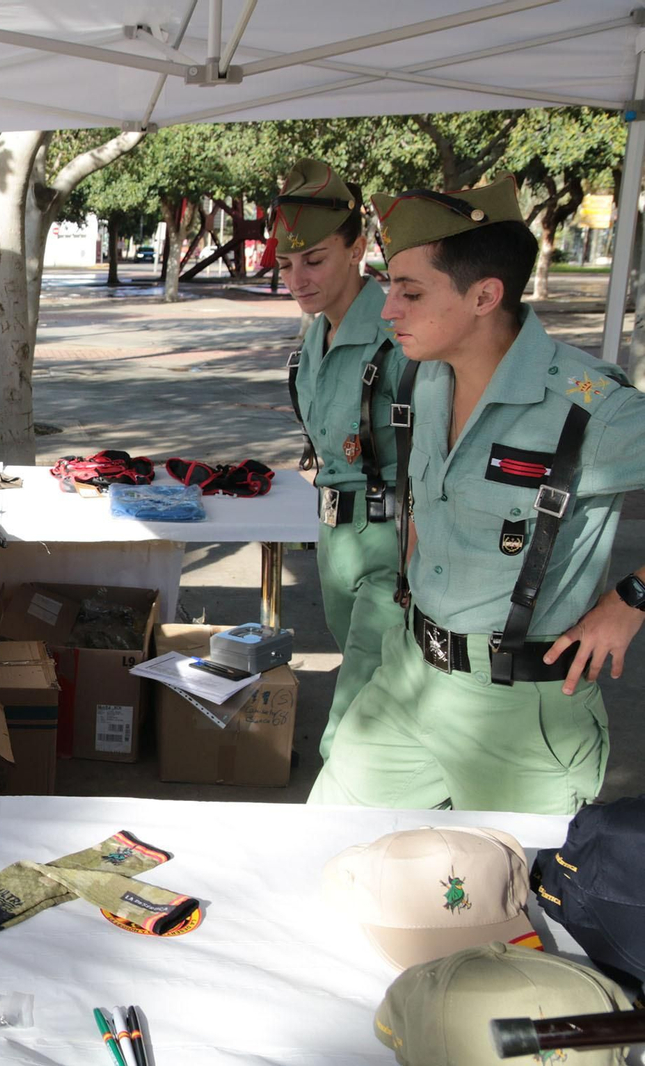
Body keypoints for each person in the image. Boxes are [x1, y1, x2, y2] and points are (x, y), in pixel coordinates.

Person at [309, 175, 645, 814]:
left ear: (486, 295)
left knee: (515, 903)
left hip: (514, 712)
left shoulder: (588, 411)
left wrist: (633, 599)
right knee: (327, 850)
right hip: (407, 677)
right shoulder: (421, 377)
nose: (388, 310)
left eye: (410, 292)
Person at [273, 158, 408, 760]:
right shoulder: (315, 331)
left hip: (392, 545)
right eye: (286, 264)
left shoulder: (401, 333)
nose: (297, 279)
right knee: (382, 701)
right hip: (334, 541)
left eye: (315, 260)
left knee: (349, 724)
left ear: (357, 247)